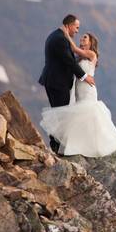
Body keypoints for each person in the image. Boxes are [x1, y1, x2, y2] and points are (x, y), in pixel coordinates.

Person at [40, 31, 116, 160]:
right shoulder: (79, 58)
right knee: (80, 117)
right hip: (79, 89)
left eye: (85, 38)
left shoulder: (91, 54)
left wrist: (66, 34)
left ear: (91, 42)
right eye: (82, 37)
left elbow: (74, 48)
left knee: (88, 113)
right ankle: (80, 145)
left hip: (88, 89)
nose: (82, 38)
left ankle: (96, 146)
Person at [38, 14, 94, 153]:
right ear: (68, 26)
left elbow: (72, 54)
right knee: (61, 115)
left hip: (56, 82)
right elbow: (69, 61)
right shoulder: (60, 39)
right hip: (57, 83)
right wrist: (84, 76)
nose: (77, 31)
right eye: (76, 27)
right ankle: (55, 145)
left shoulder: (58, 37)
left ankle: (57, 145)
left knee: (60, 114)